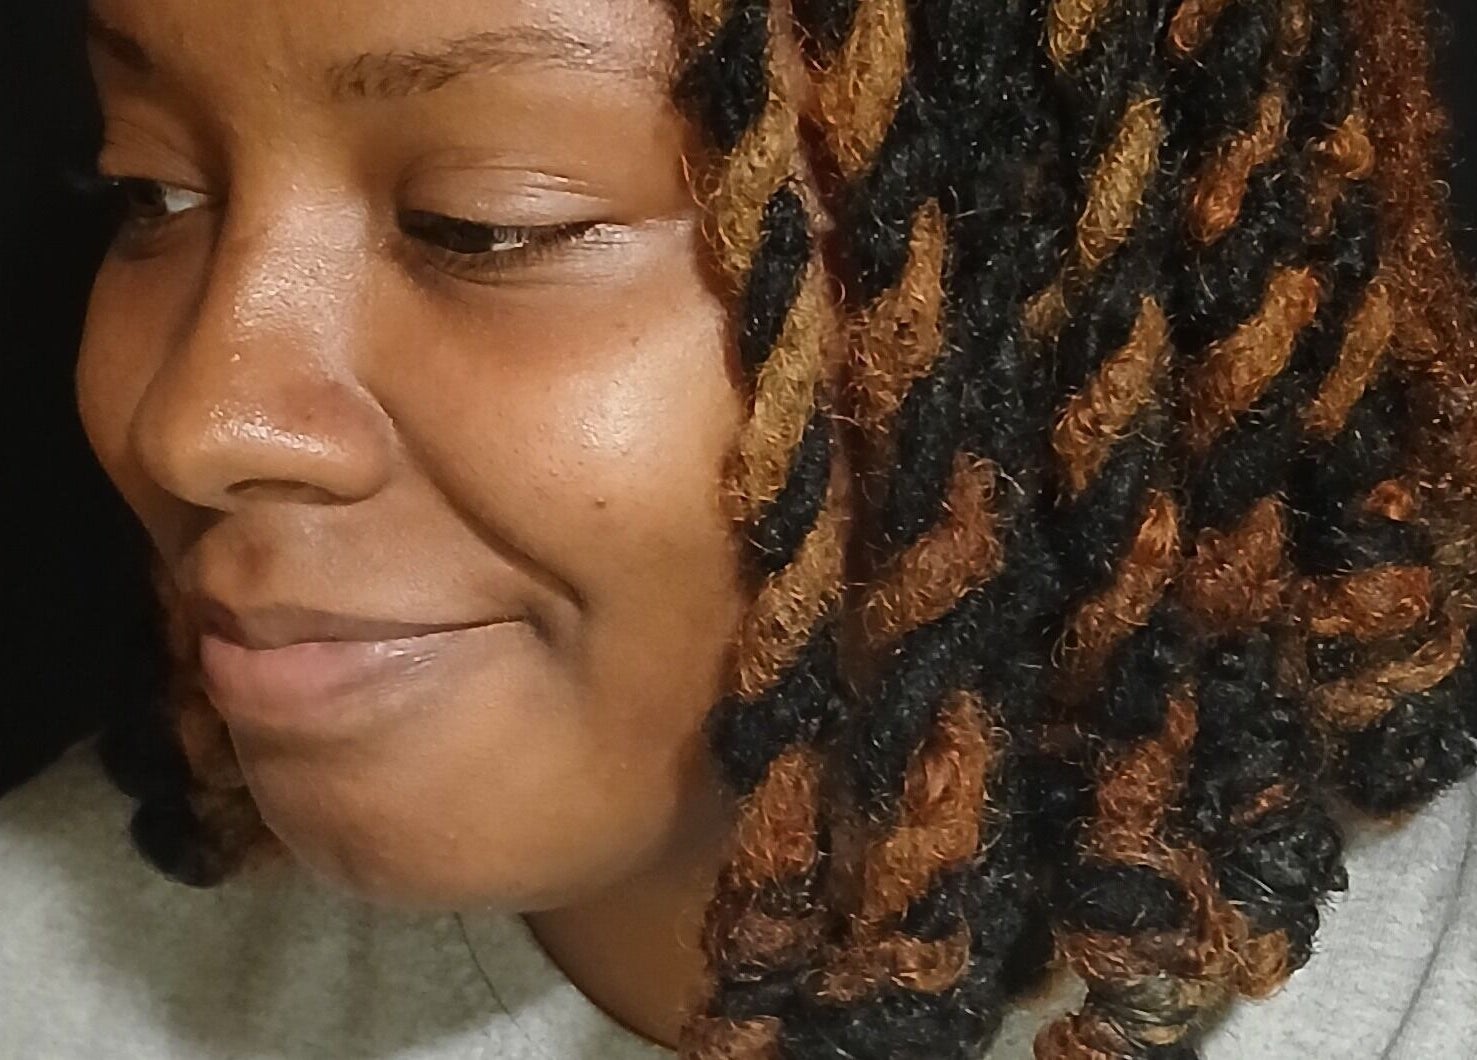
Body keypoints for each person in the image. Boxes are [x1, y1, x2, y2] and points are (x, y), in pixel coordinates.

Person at [2, 0, 1473, 1057]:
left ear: (1055, 288)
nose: (194, 419)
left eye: (487, 224)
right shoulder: (48, 966)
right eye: (154, 193)